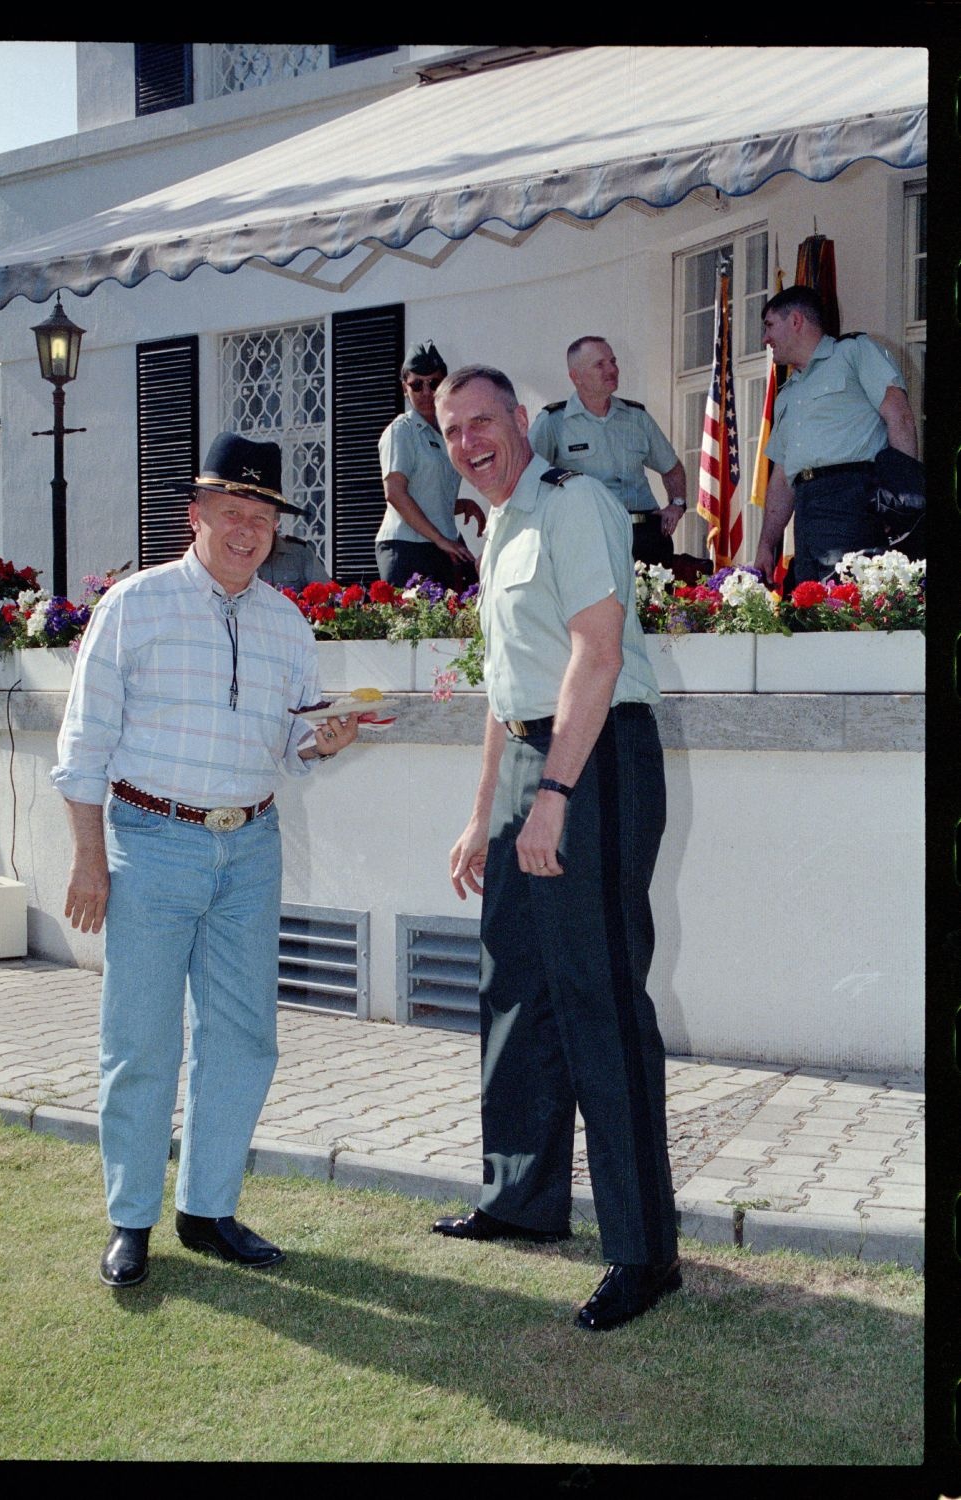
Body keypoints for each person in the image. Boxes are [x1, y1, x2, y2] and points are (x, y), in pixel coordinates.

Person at [52, 432, 358, 1289]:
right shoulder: (134, 606)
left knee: (242, 1038)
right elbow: (83, 747)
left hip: (250, 848)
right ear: (196, 516)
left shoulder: (286, 620)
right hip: (151, 844)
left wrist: (326, 741)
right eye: (233, 512)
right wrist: (89, 862)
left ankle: (208, 1208)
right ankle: (130, 1220)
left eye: (261, 517)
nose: (247, 530)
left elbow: (295, 742)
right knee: (140, 1040)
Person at [432, 366, 680, 1332]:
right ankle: (522, 1199)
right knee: (516, 984)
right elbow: (507, 687)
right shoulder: (496, 527)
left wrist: (557, 797)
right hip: (533, 759)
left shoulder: (574, 506)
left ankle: (643, 1251)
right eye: (451, 429)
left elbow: (597, 654)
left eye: (481, 422)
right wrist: (486, 811)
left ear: (521, 422)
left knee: (598, 997)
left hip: (597, 759)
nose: (467, 441)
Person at [752, 286, 920, 585]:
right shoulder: (788, 392)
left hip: (853, 499)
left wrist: (904, 505)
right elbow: (782, 477)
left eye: (769, 326)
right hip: (806, 510)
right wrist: (766, 544)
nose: (765, 339)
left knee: (850, 610)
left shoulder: (855, 351)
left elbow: (900, 417)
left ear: (796, 321)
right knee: (809, 609)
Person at [528, 336, 687, 568]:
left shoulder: (636, 418)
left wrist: (677, 504)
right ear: (576, 376)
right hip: (590, 536)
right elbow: (528, 478)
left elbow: (671, 468)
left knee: (656, 604)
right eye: (599, 364)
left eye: (613, 361)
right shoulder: (553, 422)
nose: (612, 369)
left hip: (645, 536)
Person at [374, 340, 483, 589]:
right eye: (416, 385)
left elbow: (425, 492)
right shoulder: (402, 430)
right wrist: (441, 540)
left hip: (442, 543)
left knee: (466, 610)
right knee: (415, 625)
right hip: (407, 546)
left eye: (433, 383)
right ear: (405, 388)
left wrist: (459, 505)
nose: (425, 392)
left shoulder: (446, 434)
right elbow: (395, 494)